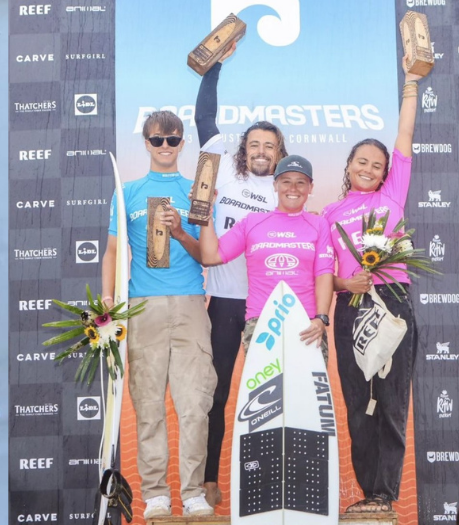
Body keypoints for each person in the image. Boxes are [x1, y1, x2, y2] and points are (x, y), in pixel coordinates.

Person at [320, 50, 423, 514]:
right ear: (348, 166)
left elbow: (404, 135)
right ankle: (367, 494)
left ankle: (385, 494)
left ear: (386, 172)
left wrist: (411, 82)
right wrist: (347, 284)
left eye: (377, 164)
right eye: (361, 161)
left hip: (393, 301)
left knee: (392, 400)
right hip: (351, 309)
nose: (368, 168)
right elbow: (325, 274)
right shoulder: (329, 214)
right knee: (358, 401)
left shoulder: (392, 195)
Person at [101, 110, 217, 518]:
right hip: (142, 307)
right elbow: (113, 252)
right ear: (146, 143)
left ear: (182, 143)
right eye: (157, 140)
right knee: (148, 404)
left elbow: (207, 255)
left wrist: (181, 230)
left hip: (190, 304)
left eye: (172, 139)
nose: (165, 146)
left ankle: (193, 492)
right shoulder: (127, 192)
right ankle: (155, 493)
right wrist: (107, 303)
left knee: (195, 404)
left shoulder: (197, 192)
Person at [192, 43, 287, 507]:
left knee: (273, 395)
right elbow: (203, 119)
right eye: (254, 145)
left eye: (270, 146)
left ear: (280, 153)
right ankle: (210, 478)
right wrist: (213, 68)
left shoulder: (286, 192)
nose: (261, 152)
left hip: (270, 306)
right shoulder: (224, 175)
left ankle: (273, 482)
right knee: (217, 393)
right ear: (243, 150)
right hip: (226, 303)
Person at [199, 155, 334, 362]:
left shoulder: (319, 224)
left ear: (310, 187)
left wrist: (321, 318)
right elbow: (210, 256)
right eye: (286, 181)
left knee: (305, 385)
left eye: (300, 182)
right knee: (266, 385)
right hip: (262, 323)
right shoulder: (252, 222)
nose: (293, 188)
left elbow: (324, 273)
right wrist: (206, 214)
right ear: (275, 185)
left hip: (307, 324)